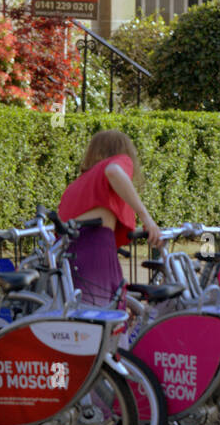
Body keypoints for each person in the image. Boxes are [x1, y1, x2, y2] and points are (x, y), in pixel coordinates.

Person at [57, 129, 162, 307]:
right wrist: (147, 218)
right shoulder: (118, 162)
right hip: (95, 245)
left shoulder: (80, 182)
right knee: (106, 313)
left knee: (82, 312)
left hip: (70, 249)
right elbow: (114, 171)